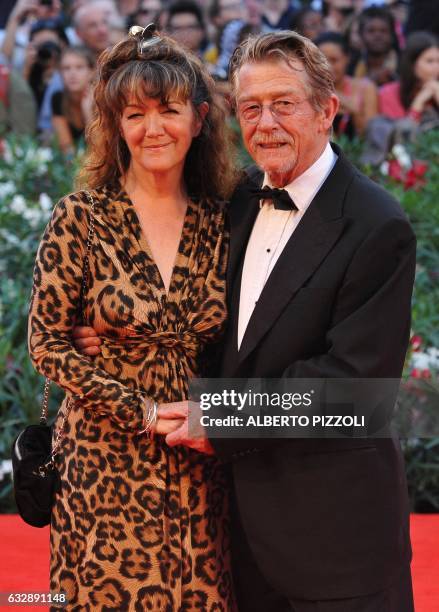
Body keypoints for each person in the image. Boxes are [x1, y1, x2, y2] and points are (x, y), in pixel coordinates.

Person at [74, 30, 416, 612]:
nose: (265, 123)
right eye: (251, 107)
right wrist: (116, 335)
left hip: (336, 546)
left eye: (284, 104)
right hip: (233, 538)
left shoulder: (376, 226)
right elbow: (195, 327)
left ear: (327, 111)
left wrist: (223, 416)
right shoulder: (232, 203)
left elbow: (352, 387)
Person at [28, 28, 237, 610]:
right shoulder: (81, 217)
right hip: (102, 461)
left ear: (198, 120)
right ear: (116, 125)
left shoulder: (225, 222)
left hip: (200, 461)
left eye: (168, 110)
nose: (153, 129)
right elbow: (47, 343)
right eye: (135, 113)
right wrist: (141, 412)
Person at [316, 31, 378, 137]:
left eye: (334, 60)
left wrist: (353, 110)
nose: (328, 67)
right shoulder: (307, 91)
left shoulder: (365, 88)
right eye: (321, 61)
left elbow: (371, 136)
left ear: (347, 58)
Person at [379, 31, 439, 123]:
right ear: (412, 64)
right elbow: (400, 135)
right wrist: (419, 102)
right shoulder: (389, 92)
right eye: (430, 61)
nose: (436, 67)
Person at [51, 46, 95, 154]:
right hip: (76, 165)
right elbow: (66, 149)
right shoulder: (58, 98)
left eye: (79, 67)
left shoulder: (103, 98)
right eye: (66, 68)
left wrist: (88, 113)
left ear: (91, 72)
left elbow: (101, 149)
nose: (72, 74)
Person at [355, 6, 399, 86]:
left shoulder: (403, 66)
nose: (378, 36)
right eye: (371, 31)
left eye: (383, 31)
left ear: (392, 35)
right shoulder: (350, 64)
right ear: (361, 34)